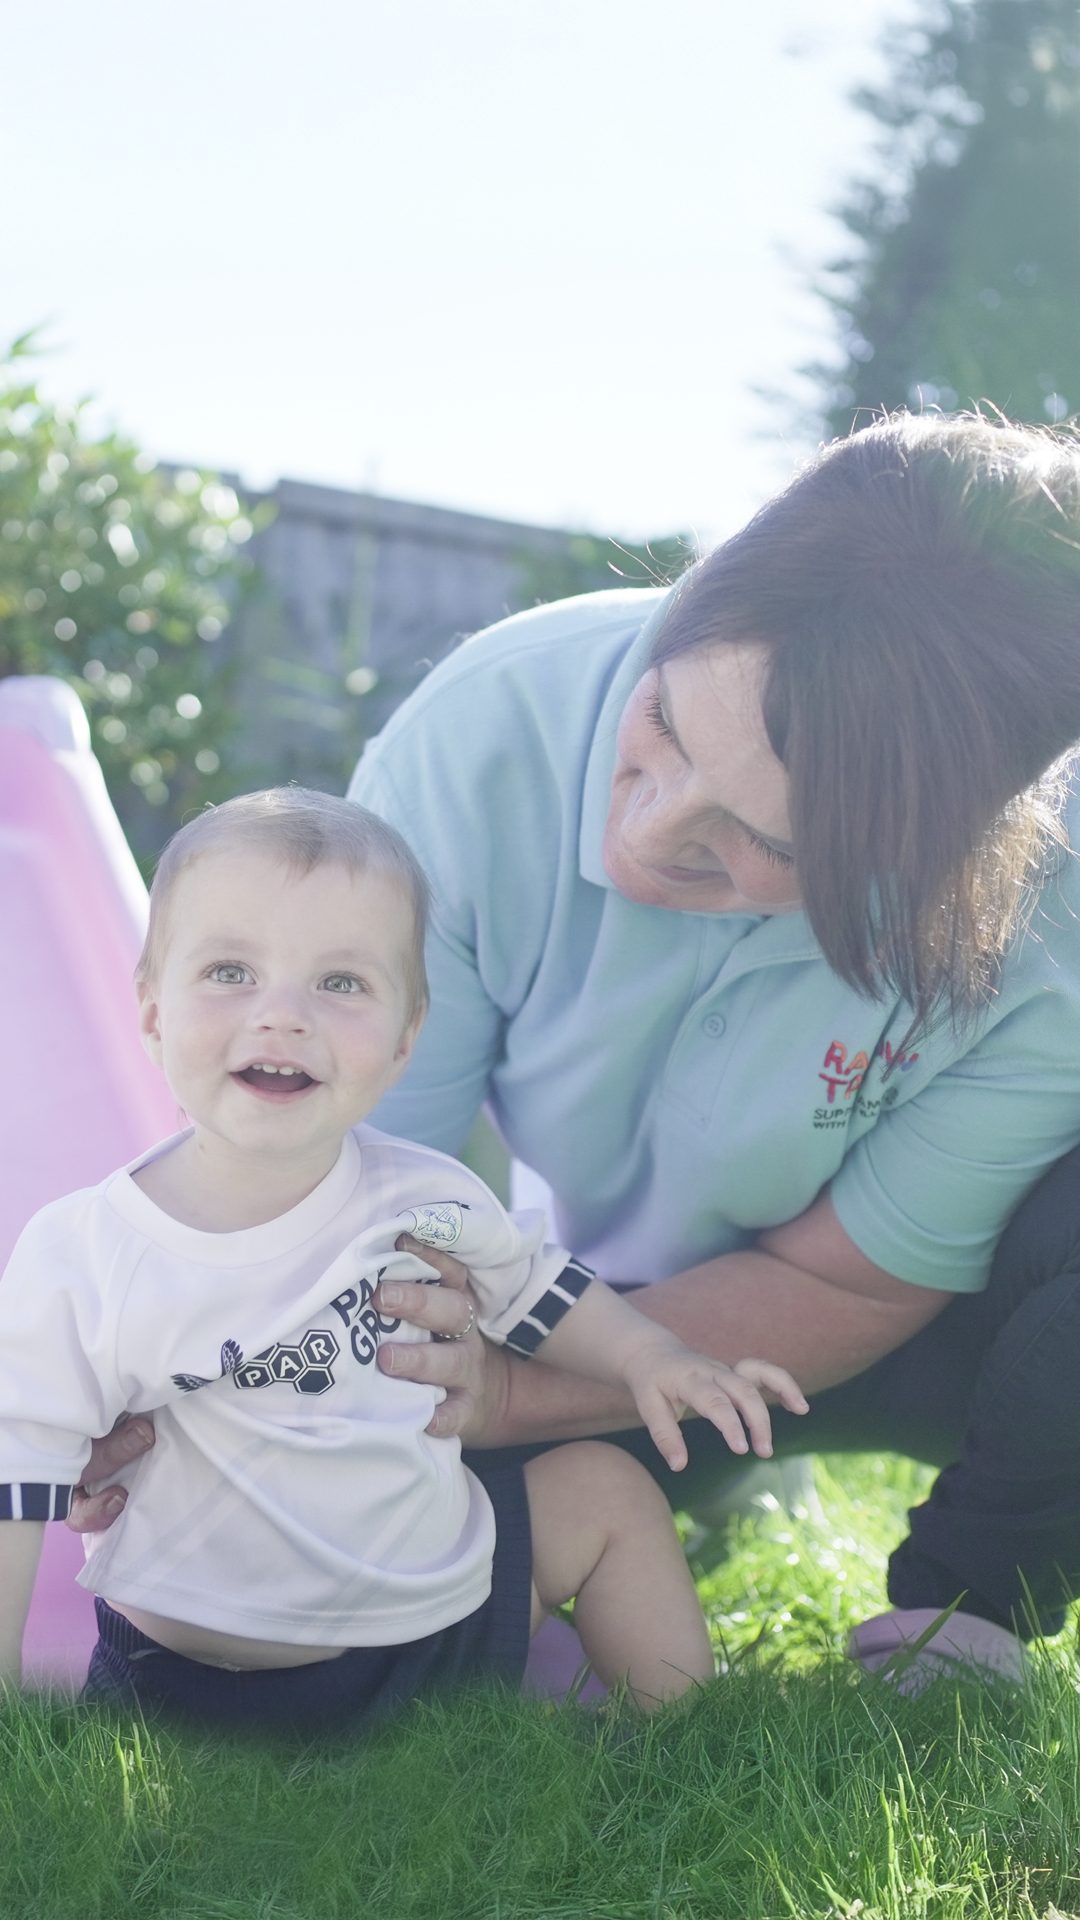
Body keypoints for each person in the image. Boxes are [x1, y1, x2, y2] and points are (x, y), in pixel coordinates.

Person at [74, 408, 1080, 1689]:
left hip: (922, 1325)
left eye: (759, 847)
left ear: (934, 857)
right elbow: (341, 1178)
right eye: (660, 725)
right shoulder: (490, 732)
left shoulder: (1056, 918)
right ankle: (683, 1472)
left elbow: (850, 1289)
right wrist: (185, 1373)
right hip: (586, 1307)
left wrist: (517, 1403)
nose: (642, 841)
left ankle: (967, 1617)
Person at [0, 788, 806, 1733]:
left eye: (340, 984)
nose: (282, 1016)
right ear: (150, 1013)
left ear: (404, 1039)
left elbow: (541, 1291)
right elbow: (19, 1474)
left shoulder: (426, 1195)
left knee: (607, 1489)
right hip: (189, 1672)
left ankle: (682, 1752)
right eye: (229, 971)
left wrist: (650, 1359)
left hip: (428, 1635)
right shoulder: (87, 1250)